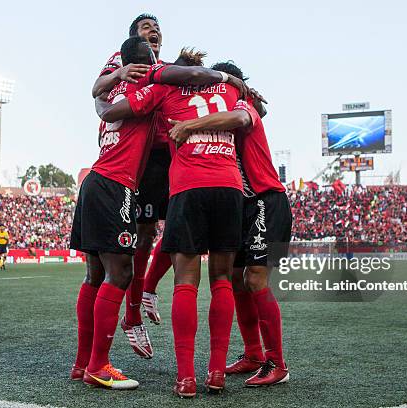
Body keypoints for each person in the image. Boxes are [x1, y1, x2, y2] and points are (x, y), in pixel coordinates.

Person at [72, 35, 247, 389]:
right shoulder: (153, 87)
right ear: (151, 64)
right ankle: (98, 364)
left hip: (95, 181)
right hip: (117, 184)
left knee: (95, 275)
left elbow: (104, 104)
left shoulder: (116, 90)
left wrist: (104, 94)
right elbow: (201, 83)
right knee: (120, 274)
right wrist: (229, 81)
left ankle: (83, 364)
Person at [167, 62, 291, 387]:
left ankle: (277, 363)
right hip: (241, 204)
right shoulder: (220, 116)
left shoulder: (239, 105)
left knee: (255, 280)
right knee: (235, 281)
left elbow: (244, 115)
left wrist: (189, 124)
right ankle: (252, 354)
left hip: (265, 200)